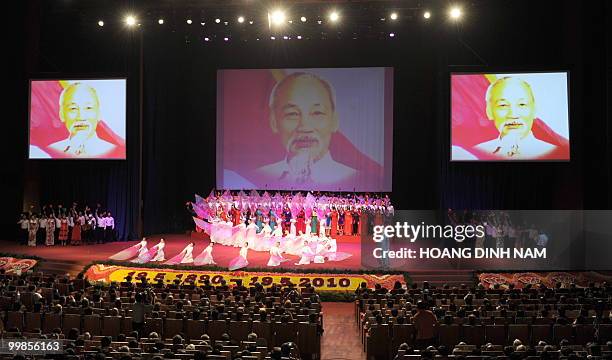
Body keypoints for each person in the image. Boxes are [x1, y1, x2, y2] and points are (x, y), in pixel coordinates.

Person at [248, 73, 358, 189]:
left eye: (317, 113)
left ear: (334, 121)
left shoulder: (353, 178)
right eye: (292, 114)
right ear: (274, 122)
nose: (305, 127)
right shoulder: (256, 177)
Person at [472, 77, 564, 160]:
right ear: (489, 112)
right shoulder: (476, 153)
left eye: (522, 104)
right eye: (503, 105)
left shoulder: (555, 153)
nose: (513, 114)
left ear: (535, 110)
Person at [46, 83, 123, 158]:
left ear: (99, 113)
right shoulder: (51, 151)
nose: (81, 117)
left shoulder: (113, 151)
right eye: (73, 108)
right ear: (62, 114)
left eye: (88, 108)